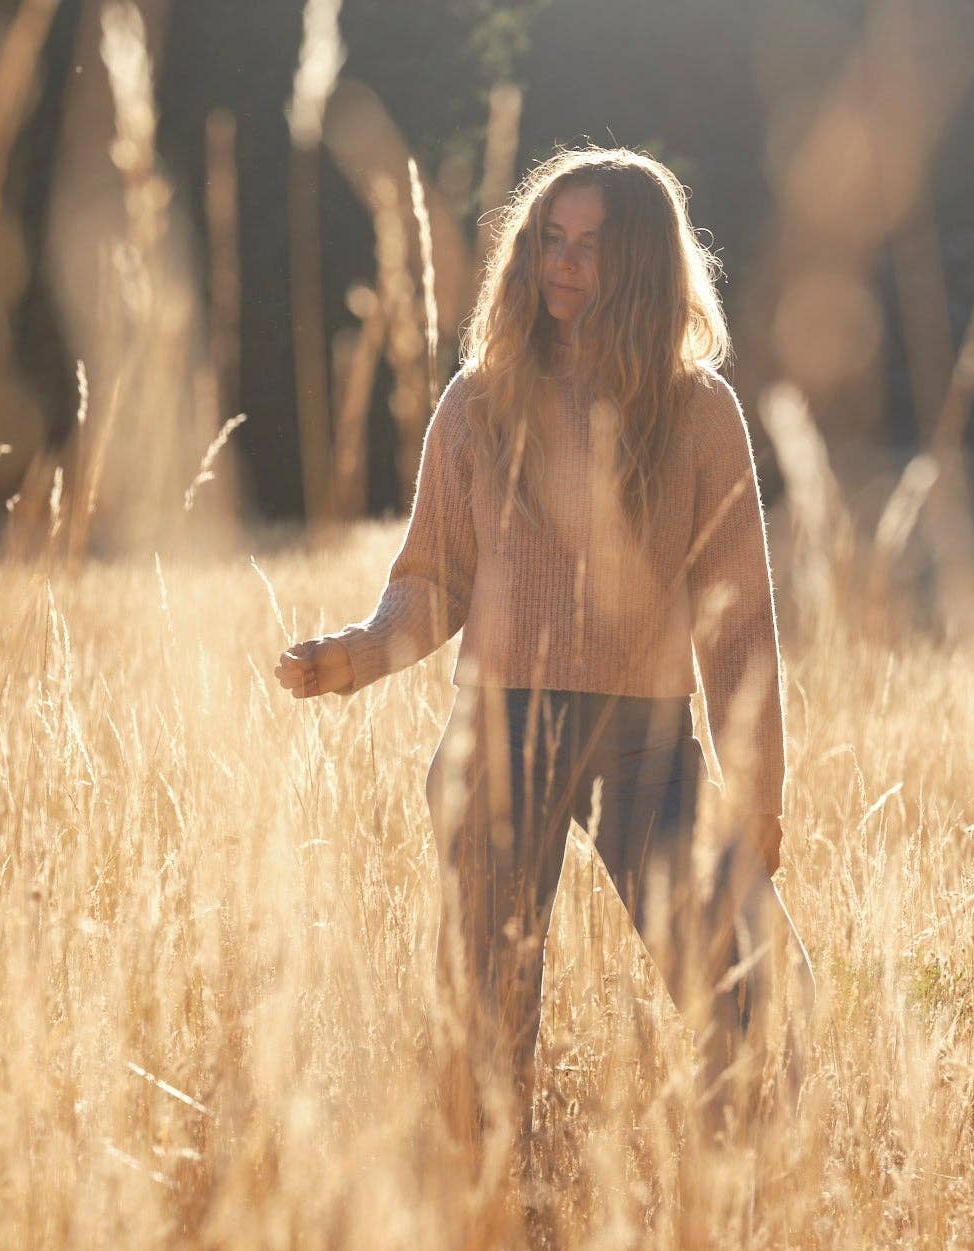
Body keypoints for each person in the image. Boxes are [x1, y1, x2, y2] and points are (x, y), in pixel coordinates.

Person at [274, 145, 815, 1180]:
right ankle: (484, 1220)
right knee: (485, 1022)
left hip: (646, 749)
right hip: (498, 737)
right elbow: (434, 580)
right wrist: (358, 654)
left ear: (643, 264)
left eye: (590, 247)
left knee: (760, 995)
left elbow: (741, 626)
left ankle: (736, 1206)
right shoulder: (479, 401)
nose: (561, 264)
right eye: (548, 240)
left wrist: (759, 792)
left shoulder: (700, 412)